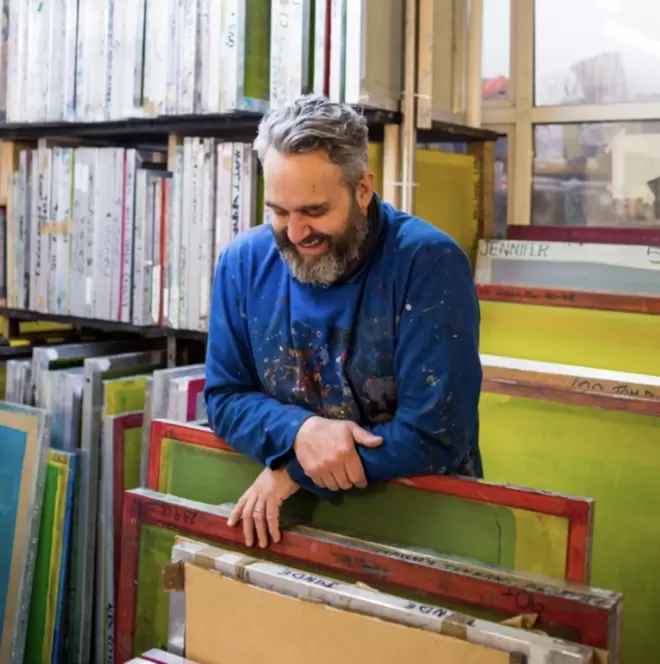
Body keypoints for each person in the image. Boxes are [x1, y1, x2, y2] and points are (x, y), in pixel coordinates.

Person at [204, 95, 482, 549]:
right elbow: (223, 398)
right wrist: (302, 431)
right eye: (277, 211)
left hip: (423, 522)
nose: (294, 233)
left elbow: (436, 435)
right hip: (287, 528)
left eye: (314, 212)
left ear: (363, 188)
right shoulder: (242, 262)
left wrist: (293, 469)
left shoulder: (429, 262)